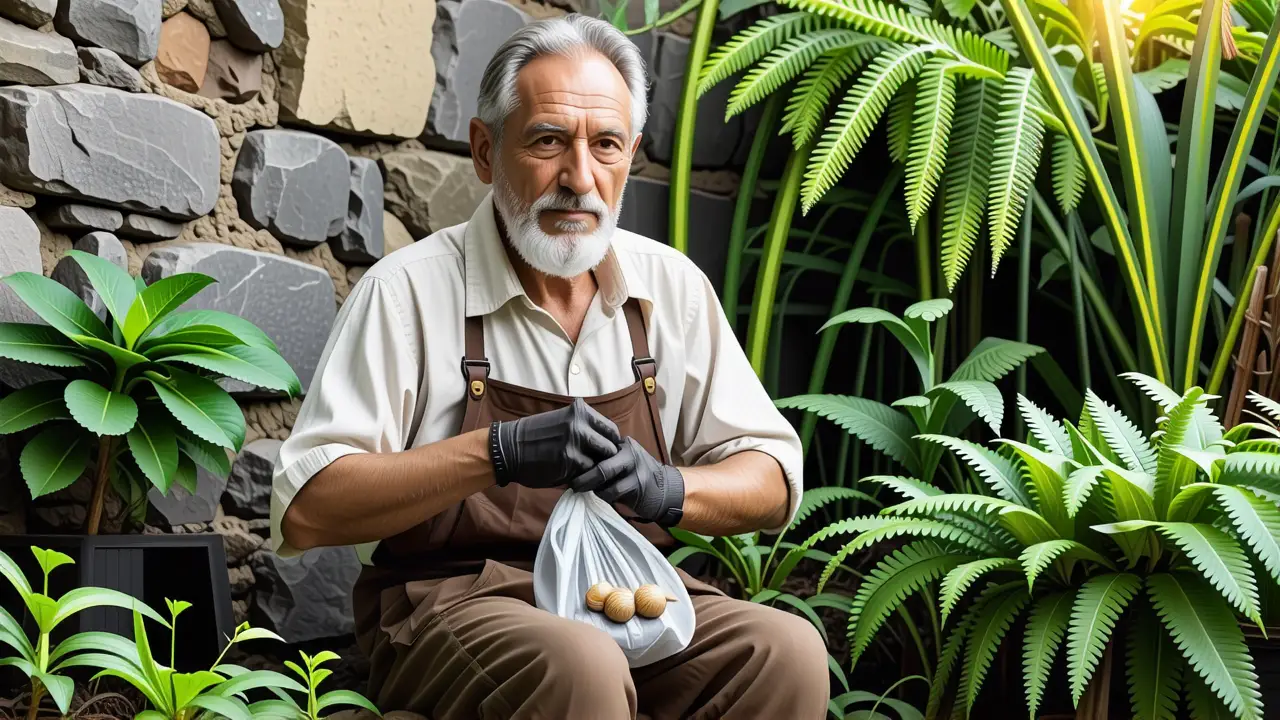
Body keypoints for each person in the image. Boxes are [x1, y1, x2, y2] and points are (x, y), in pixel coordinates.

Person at [269, 13, 827, 719]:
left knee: (786, 652)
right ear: (485, 151)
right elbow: (308, 510)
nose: (579, 178)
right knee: (580, 664)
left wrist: (666, 487)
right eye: (548, 141)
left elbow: (771, 480)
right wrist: (495, 452)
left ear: (632, 155)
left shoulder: (670, 287)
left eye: (606, 145)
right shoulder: (406, 292)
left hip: (626, 593)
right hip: (452, 602)